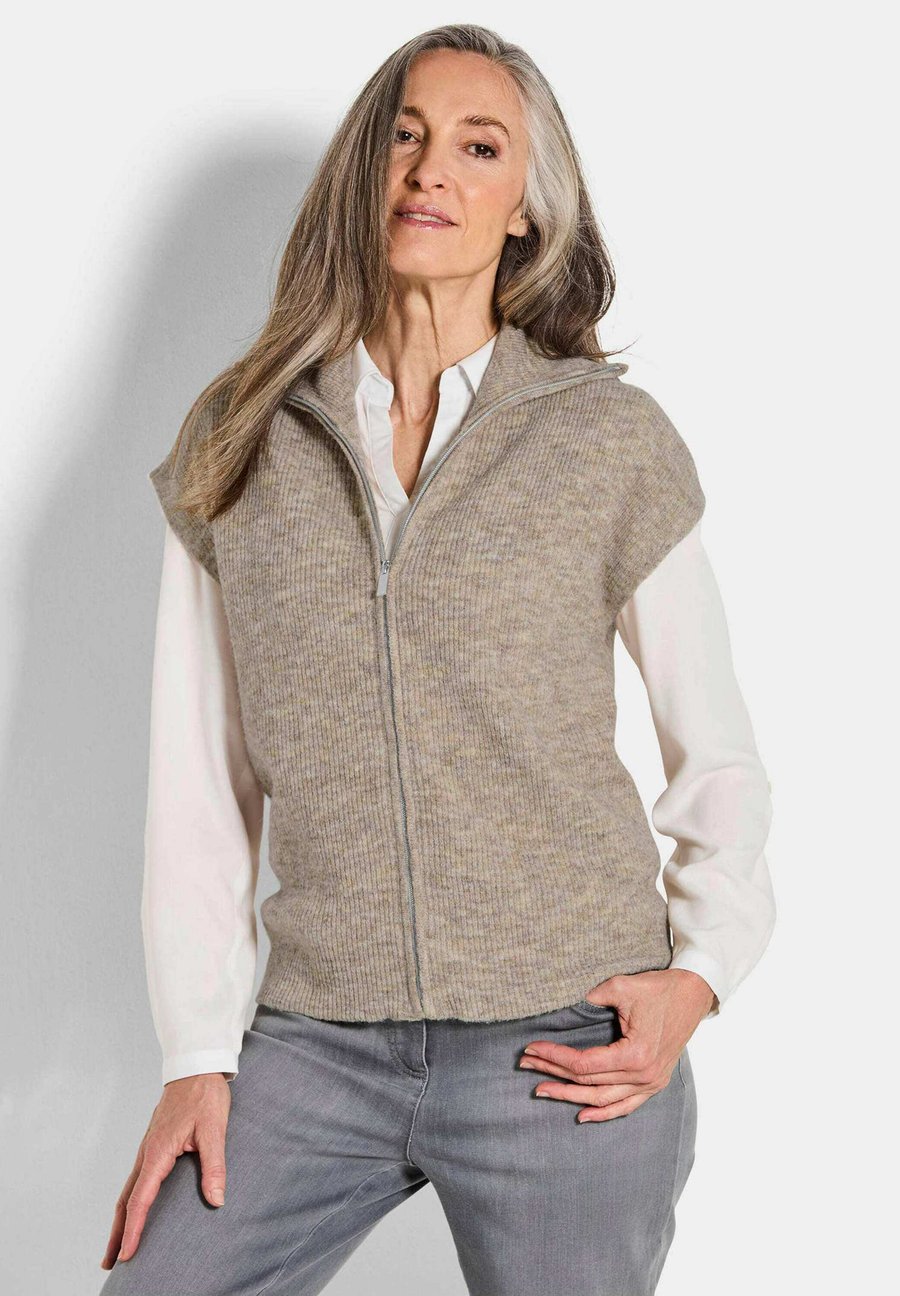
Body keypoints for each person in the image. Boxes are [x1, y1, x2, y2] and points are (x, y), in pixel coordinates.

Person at [99, 22, 776, 1296]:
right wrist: (198, 1054)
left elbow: (718, 751)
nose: (431, 171)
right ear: (365, 172)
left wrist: (698, 978)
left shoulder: (606, 442)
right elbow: (198, 790)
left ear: (526, 208)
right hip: (317, 1042)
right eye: (406, 137)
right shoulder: (242, 441)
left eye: (479, 146)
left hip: (564, 1043)